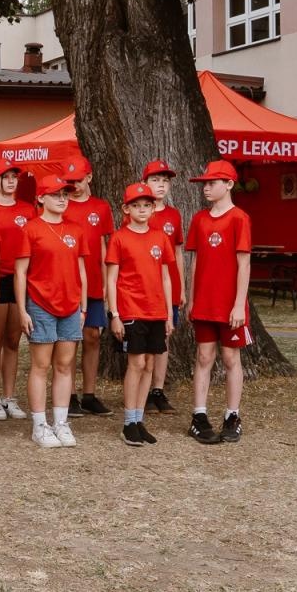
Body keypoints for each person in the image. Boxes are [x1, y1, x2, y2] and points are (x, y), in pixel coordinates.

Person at [14, 174, 89, 449]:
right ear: (41, 198)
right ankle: (39, 424)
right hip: (41, 304)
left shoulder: (76, 229)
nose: (62, 199)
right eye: (56, 194)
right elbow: (20, 273)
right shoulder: (31, 229)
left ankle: (61, 421)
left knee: (65, 364)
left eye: (65, 194)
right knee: (41, 365)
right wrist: (22, 309)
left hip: (70, 305)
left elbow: (81, 269)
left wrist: (82, 305)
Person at [185, 160, 254, 444]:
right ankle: (199, 416)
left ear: (229, 184)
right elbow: (195, 261)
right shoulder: (200, 219)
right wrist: (191, 298)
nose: (206, 188)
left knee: (230, 357)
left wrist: (239, 304)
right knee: (204, 357)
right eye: (205, 183)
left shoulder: (239, 218)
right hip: (204, 302)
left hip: (229, 304)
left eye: (212, 183)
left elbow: (244, 263)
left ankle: (232, 415)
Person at [105, 182, 175, 447]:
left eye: (147, 205)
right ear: (127, 208)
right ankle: (127, 423)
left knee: (149, 364)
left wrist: (168, 314)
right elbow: (111, 279)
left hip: (156, 311)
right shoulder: (119, 237)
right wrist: (114, 314)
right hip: (131, 310)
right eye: (137, 205)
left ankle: (139, 419)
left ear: (154, 208)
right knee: (135, 364)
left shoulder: (160, 237)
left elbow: (166, 278)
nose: (142, 209)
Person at [63, 160, 115, 416]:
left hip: (94, 281)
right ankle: (69, 394)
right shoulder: (62, 204)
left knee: (92, 337)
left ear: (89, 178)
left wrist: (106, 284)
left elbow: (105, 247)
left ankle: (89, 394)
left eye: (79, 180)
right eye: (70, 182)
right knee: (71, 339)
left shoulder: (101, 207)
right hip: (69, 283)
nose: (74, 186)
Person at [0, 158, 35, 421]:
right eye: (5, 176)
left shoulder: (28, 210)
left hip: (21, 279)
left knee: (14, 341)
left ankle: (9, 397)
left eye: (14, 176)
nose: (11, 180)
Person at [142, 158, 186, 414]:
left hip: (169, 288)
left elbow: (178, 253)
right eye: (155, 179)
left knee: (164, 339)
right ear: (145, 182)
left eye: (165, 180)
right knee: (142, 339)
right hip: (144, 288)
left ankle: (157, 390)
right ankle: (142, 388)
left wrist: (182, 287)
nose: (160, 185)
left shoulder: (174, 215)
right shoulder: (139, 211)